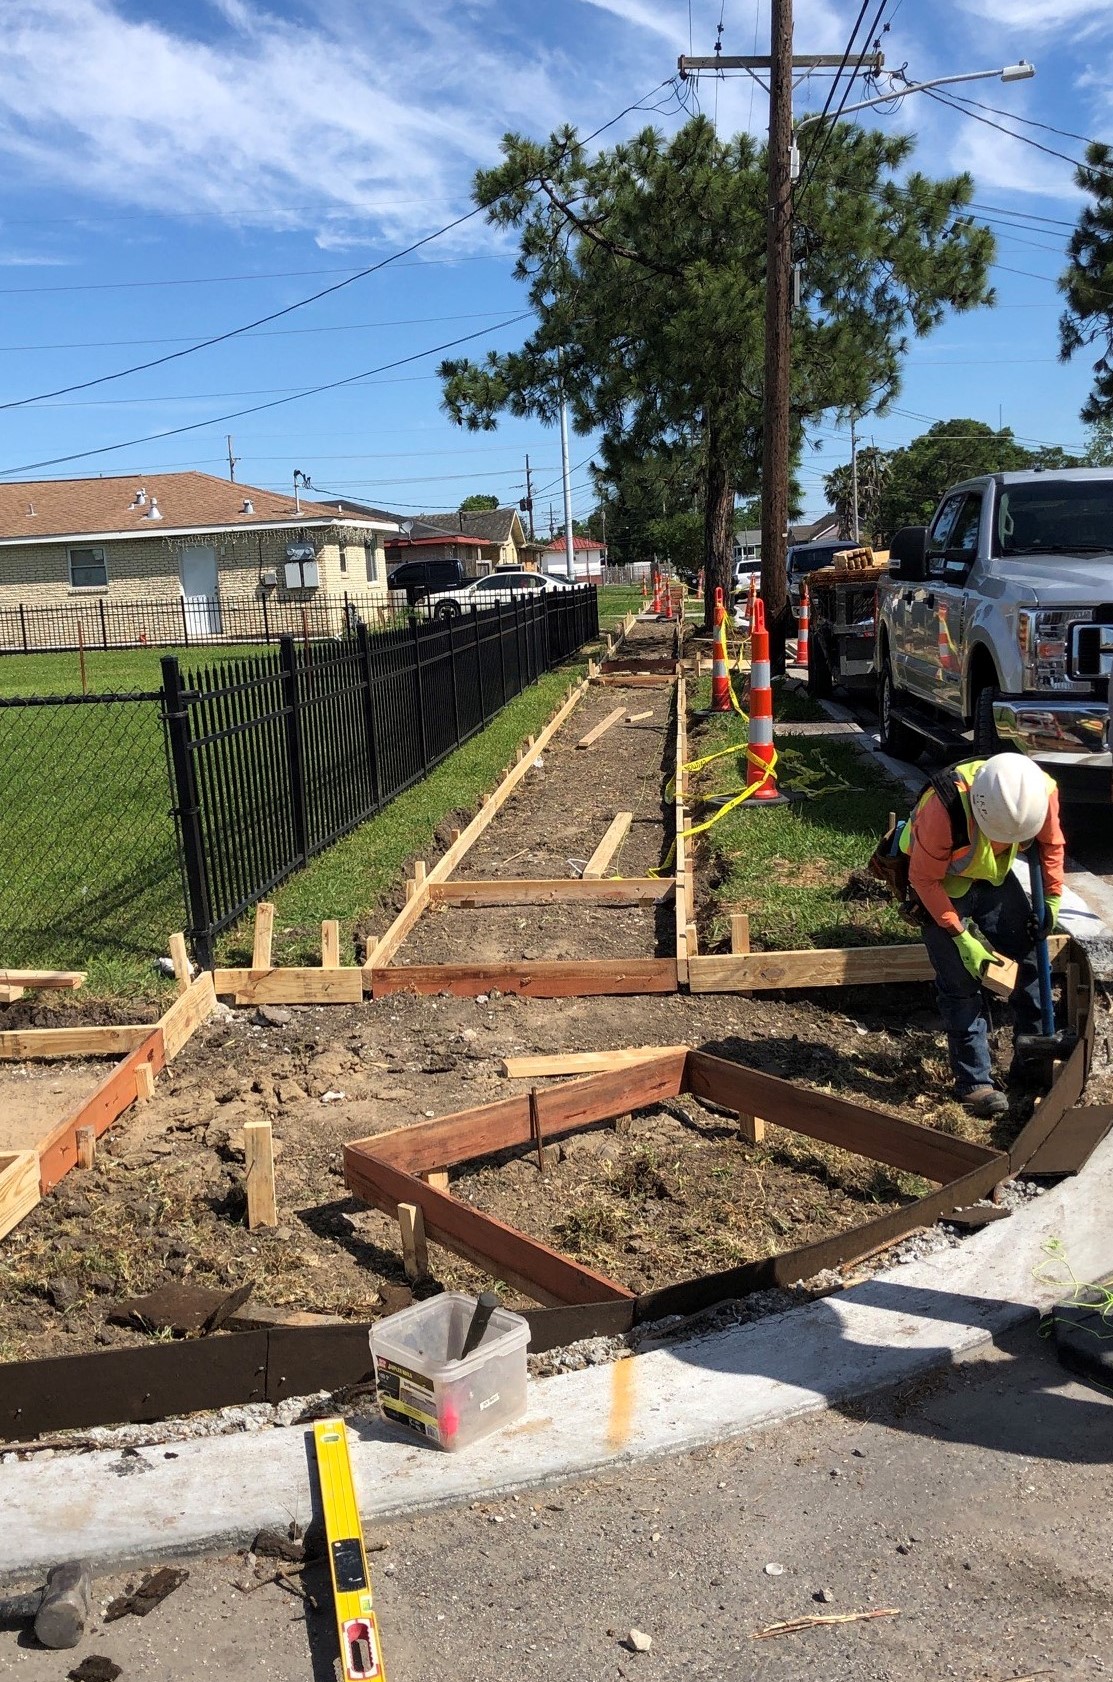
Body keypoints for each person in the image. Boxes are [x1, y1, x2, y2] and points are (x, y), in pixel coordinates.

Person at [898, 754, 1064, 1120]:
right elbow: (923, 879)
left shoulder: (1039, 791)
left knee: (1031, 957)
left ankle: (1032, 1059)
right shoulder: (943, 806)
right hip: (941, 883)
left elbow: (1051, 846)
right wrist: (961, 937)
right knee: (960, 982)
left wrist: (1051, 899)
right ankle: (975, 1083)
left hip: (993, 880)